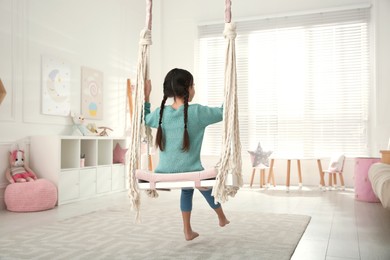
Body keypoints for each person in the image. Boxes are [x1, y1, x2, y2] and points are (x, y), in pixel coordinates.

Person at [143, 68, 230, 241]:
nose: (194, 89)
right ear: (188, 88)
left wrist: (146, 96)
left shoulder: (160, 113)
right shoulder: (197, 112)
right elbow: (224, 112)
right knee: (201, 183)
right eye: (193, 85)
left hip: (164, 172)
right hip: (190, 170)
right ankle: (221, 217)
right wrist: (229, 91)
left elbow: (143, 118)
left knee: (189, 186)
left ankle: (187, 230)